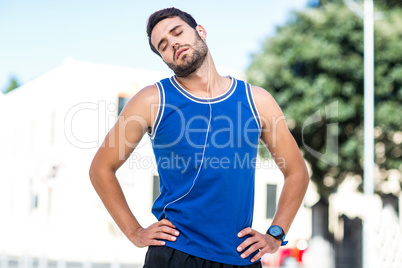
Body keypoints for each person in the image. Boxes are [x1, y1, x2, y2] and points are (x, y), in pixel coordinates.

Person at [89, 7, 309, 268]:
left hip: (240, 257)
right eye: (163, 45)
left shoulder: (256, 100)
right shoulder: (152, 100)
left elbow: (297, 172)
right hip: (174, 255)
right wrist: (134, 232)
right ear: (164, 58)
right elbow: (101, 168)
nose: (173, 43)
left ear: (200, 32)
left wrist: (275, 234)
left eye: (177, 32)